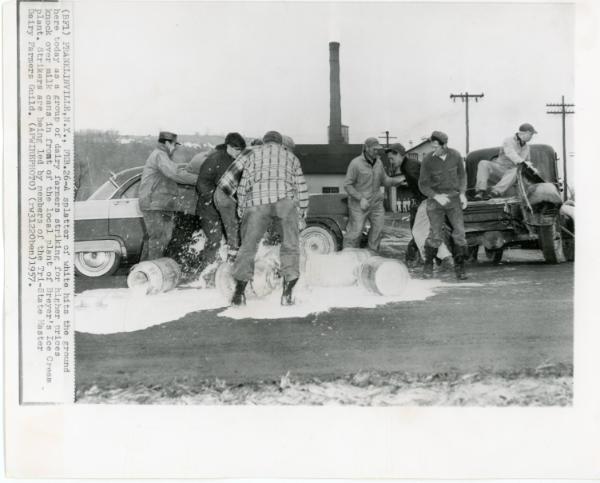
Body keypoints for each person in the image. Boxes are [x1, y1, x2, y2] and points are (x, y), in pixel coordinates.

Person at [218, 130, 308, 306]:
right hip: (285, 202)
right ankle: (287, 294)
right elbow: (301, 187)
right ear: (280, 143)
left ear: (265, 142)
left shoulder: (253, 155)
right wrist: (303, 210)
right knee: (290, 245)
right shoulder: (291, 157)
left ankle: (239, 293)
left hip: (257, 203)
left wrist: (242, 209)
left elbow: (244, 185)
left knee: (248, 247)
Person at [384, 143, 453, 268]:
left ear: (399, 155)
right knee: (427, 231)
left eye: (391, 158)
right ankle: (445, 257)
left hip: (429, 200)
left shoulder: (410, 167)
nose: (390, 161)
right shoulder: (408, 165)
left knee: (418, 231)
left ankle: (430, 260)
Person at [138, 131, 198, 261]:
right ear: (166, 143)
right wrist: (199, 179)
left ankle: (144, 271)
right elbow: (175, 174)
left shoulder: (161, 155)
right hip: (154, 203)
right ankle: (151, 272)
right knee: (158, 239)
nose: (175, 147)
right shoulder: (160, 155)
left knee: (157, 238)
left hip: (159, 203)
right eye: (174, 144)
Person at [418, 131, 468, 280]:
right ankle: (428, 265)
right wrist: (435, 196)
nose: (434, 149)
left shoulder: (456, 155)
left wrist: (462, 193)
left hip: (453, 199)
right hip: (435, 200)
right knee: (435, 234)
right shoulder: (427, 160)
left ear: (444, 145)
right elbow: (423, 185)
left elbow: (462, 176)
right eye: (432, 146)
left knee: (460, 232)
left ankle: (460, 268)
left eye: (436, 146)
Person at [195, 132, 247, 271]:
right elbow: (202, 182)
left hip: (227, 207)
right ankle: (205, 271)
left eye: (241, 150)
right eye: (236, 150)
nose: (239, 153)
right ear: (228, 146)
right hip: (209, 208)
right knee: (214, 240)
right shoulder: (215, 158)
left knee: (231, 240)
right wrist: (212, 199)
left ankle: (223, 270)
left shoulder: (235, 160)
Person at [343, 137, 404, 252]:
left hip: (376, 203)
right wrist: (360, 198)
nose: (377, 151)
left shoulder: (379, 163)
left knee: (378, 229)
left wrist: (398, 180)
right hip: (359, 205)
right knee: (355, 232)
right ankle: (348, 256)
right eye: (374, 149)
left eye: (378, 149)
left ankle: (372, 254)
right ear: (366, 148)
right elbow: (347, 185)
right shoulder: (355, 163)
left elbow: (385, 180)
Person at [473, 123, 538, 200]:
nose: (531, 137)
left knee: (518, 170)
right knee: (483, 163)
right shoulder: (508, 141)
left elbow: (527, 162)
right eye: (531, 134)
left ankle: (495, 192)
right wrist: (524, 162)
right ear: (526, 133)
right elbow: (511, 154)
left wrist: (532, 169)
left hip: (513, 174)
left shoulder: (527, 148)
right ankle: (480, 191)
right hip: (500, 169)